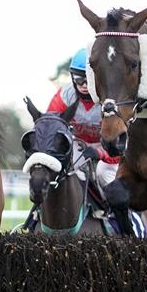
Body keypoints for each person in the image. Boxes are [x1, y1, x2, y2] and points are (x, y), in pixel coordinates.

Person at [46, 47, 120, 189]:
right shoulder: (65, 96)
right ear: (72, 77)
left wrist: (100, 154)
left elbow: (121, 145)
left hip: (107, 144)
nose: (85, 85)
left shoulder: (110, 98)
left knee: (103, 174)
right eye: (79, 80)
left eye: (90, 80)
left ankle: (120, 210)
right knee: (74, 171)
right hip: (79, 142)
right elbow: (50, 128)